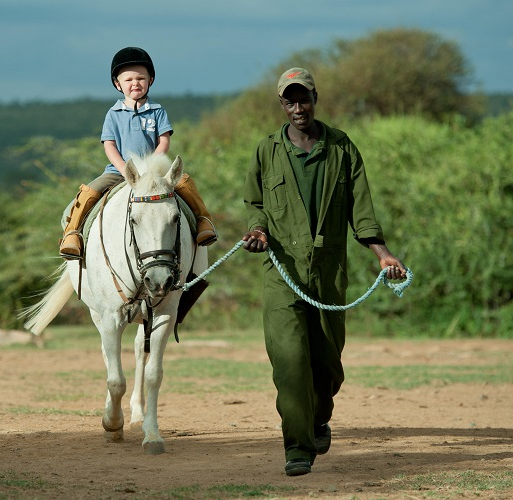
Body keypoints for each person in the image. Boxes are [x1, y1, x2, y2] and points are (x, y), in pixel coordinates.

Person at [241, 67, 407, 476]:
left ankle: (317, 419)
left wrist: (383, 254)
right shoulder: (266, 151)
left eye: (304, 99)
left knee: (328, 365)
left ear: (316, 98)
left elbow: (362, 212)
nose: (298, 108)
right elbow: (255, 204)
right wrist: (257, 230)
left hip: (329, 272)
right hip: (282, 271)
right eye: (290, 101)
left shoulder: (342, 148)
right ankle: (297, 447)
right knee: (289, 360)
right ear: (281, 104)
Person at [59, 47, 217, 259]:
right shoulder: (113, 114)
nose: (135, 83)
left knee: (184, 183)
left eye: (141, 78)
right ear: (118, 84)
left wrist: (153, 164)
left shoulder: (157, 111)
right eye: (129, 80)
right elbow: (109, 145)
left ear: (150, 80)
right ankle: (72, 234)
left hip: (153, 171)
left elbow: (164, 141)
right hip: (119, 171)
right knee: (90, 191)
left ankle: (203, 221)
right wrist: (125, 169)